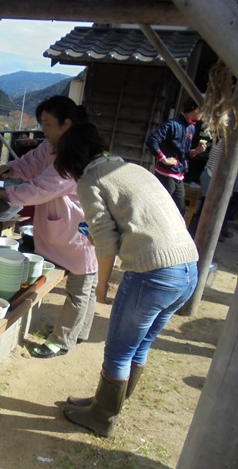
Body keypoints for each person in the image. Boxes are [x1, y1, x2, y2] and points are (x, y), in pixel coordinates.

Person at [53, 122, 198, 437]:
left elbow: (105, 242)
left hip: (154, 273)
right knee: (139, 345)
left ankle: (102, 417)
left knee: (119, 351)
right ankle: (105, 406)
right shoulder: (133, 169)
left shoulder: (92, 179)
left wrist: (102, 285)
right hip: (188, 269)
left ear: (73, 162)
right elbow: (137, 222)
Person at [0, 96, 98, 359]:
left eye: (47, 124)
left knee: (81, 287)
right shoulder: (53, 145)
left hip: (79, 228)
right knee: (84, 287)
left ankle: (63, 340)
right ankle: (78, 332)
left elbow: (42, 188)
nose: (44, 129)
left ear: (66, 123)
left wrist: (4, 194)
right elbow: (32, 161)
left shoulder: (77, 153)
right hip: (58, 224)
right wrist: (12, 168)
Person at [146, 97, 207, 214]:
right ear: (195, 110)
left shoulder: (191, 127)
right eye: (202, 110)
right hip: (166, 174)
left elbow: (184, 152)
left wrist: (196, 151)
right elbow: (152, 140)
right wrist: (163, 159)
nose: (203, 114)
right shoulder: (172, 124)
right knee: (158, 209)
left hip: (179, 175)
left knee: (180, 211)